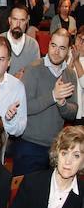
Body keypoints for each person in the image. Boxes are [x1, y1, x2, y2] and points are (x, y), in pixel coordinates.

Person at [15, 28, 78, 175]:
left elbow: (73, 112)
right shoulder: (33, 69)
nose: (56, 51)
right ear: (48, 45)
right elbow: (25, 107)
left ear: (68, 50)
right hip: (29, 145)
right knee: (23, 193)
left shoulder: (70, 75)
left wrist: (62, 104)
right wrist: (53, 96)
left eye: (62, 48)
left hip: (55, 147)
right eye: (53, 45)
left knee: (47, 196)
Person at [1, 6, 39, 76]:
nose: (18, 24)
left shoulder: (33, 45)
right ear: (9, 20)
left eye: (22, 20)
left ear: (27, 21)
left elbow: (36, 73)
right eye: (15, 19)